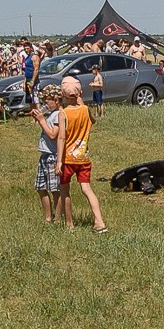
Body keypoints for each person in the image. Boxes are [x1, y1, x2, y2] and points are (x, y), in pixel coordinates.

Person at [54, 76, 106, 231]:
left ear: (62, 95)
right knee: (87, 189)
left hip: (68, 159)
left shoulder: (63, 113)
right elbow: (93, 121)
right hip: (83, 158)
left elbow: (61, 136)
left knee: (65, 191)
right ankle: (99, 221)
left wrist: (58, 162)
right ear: (80, 92)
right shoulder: (85, 109)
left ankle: (69, 224)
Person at [28, 85, 64, 222]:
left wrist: (42, 121)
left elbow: (53, 134)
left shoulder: (59, 115)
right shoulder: (51, 113)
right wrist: (39, 118)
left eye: (47, 101)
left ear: (56, 99)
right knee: (41, 187)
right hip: (44, 155)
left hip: (53, 156)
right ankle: (48, 217)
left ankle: (58, 218)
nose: (45, 104)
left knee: (55, 189)